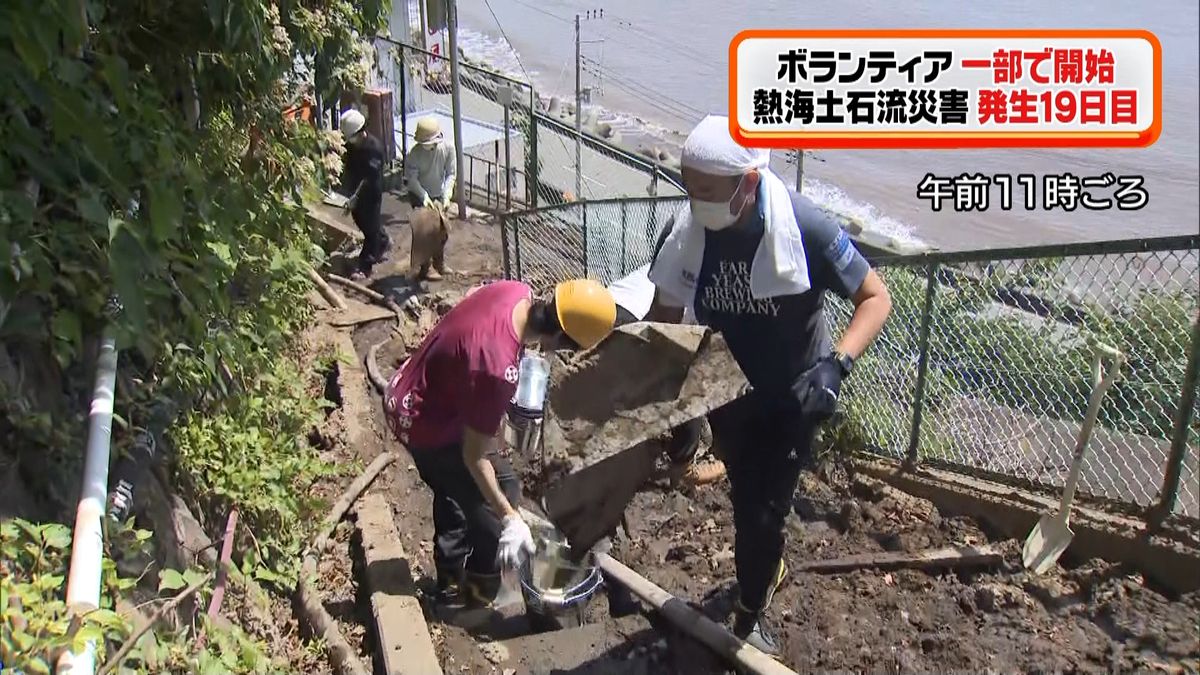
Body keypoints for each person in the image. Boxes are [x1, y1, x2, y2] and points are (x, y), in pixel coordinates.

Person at [646, 115, 893, 655]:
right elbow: (663, 319)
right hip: (726, 393)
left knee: (763, 512)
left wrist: (837, 366)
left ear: (749, 182)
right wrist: (675, 404)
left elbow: (876, 298)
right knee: (745, 497)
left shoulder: (806, 228)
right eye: (688, 189)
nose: (695, 203)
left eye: (706, 193)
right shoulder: (687, 231)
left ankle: (750, 610)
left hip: (791, 396)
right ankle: (763, 563)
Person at [383, 278, 617, 606]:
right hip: (422, 421)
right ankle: (470, 596)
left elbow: (472, 308)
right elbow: (474, 458)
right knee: (491, 519)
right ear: (562, 339)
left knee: (497, 487)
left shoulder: (515, 291)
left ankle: (452, 571)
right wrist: (509, 519)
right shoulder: (498, 370)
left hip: (419, 385)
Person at [339, 109, 390, 280]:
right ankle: (383, 241)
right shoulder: (352, 147)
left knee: (370, 229)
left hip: (370, 193)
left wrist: (356, 196)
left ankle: (365, 265)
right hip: (356, 190)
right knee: (362, 221)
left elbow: (370, 177)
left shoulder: (373, 149)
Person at [404, 117, 456, 212]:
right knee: (423, 223)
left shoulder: (448, 148)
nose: (426, 145)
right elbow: (412, 179)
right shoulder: (414, 153)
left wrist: (447, 195)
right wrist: (423, 196)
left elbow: (451, 174)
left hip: (438, 192)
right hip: (418, 193)